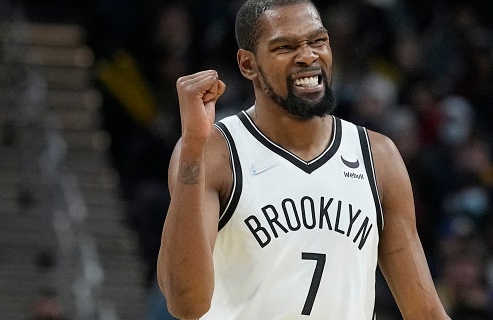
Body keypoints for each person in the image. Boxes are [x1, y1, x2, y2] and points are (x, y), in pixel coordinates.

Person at [156, 0, 450, 319]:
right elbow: (186, 304)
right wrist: (191, 153)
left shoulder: (377, 156)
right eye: (285, 46)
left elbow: (425, 312)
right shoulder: (214, 151)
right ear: (248, 65)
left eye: (317, 41)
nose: (308, 56)